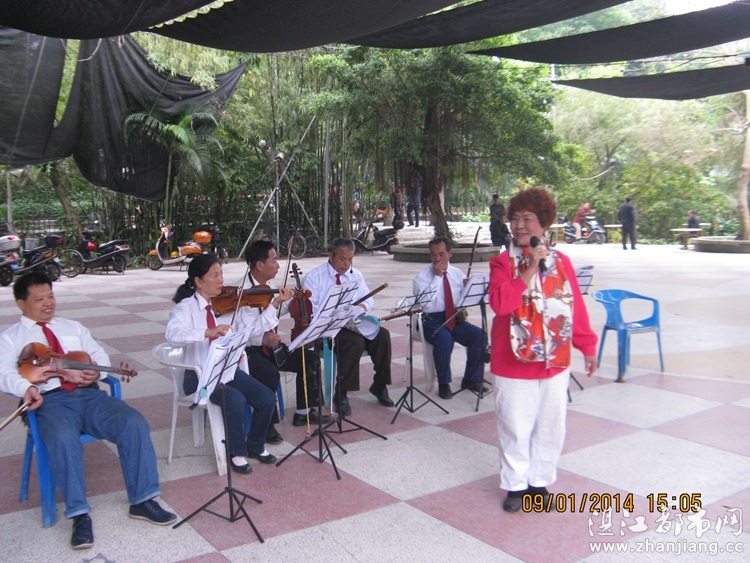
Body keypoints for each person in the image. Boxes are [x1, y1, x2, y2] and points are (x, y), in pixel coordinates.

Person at [0, 272, 176, 550]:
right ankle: (79, 514)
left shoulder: (72, 327)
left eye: (51, 296)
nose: (48, 303)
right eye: (40, 299)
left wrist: (94, 372)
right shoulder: (11, 338)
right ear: (21, 303)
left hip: (90, 397)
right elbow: (4, 373)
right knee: (62, 438)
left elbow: (99, 356)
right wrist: (25, 387)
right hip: (51, 402)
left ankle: (143, 500)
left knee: (133, 422)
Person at [488, 188, 597, 513]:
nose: (520, 225)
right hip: (512, 361)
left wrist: (587, 345)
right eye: (515, 219)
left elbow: (574, 306)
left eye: (528, 219)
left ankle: (539, 482)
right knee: (514, 425)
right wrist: (530, 269)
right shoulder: (502, 262)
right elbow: (501, 304)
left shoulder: (562, 262)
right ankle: (515, 485)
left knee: (550, 425)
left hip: (554, 360)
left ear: (544, 223)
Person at [166, 254, 294, 474]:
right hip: (199, 377)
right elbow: (173, 335)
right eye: (214, 275)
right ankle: (236, 452)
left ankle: (255, 445)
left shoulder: (229, 305)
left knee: (265, 397)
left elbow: (255, 329)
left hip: (227, 370)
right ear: (198, 281)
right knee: (234, 398)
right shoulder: (185, 309)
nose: (221, 280)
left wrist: (275, 304)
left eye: (221, 274)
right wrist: (207, 332)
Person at [241, 240, 331, 431]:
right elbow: (245, 331)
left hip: (271, 346)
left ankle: (304, 412)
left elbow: (273, 313)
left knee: (309, 358)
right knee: (269, 373)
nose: (278, 265)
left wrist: (292, 302)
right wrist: (262, 338)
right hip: (249, 350)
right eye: (274, 260)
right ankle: (267, 425)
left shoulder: (269, 285)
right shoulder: (243, 292)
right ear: (260, 265)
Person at [303, 238, 394, 415]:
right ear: (331, 256)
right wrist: (335, 314)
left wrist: (362, 306)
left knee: (382, 335)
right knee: (355, 343)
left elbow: (368, 298)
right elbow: (310, 310)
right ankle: (341, 393)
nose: (347, 264)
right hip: (329, 328)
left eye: (350, 259)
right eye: (342, 259)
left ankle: (380, 385)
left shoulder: (355, 275)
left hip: (353, 323)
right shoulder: (314, 277)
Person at [413, 236, 486, 400]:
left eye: (441, 254)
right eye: (433, 254)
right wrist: (437, 277)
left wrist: (468, 290)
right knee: (445, 339)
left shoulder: (457, 273)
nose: (437, 259)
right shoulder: (422, 278)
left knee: (479, 335)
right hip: (431, 320)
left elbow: (463, 302)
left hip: (453, 318)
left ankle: (471, 378)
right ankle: (444, 383)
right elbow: (425, 304)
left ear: (450, 254)